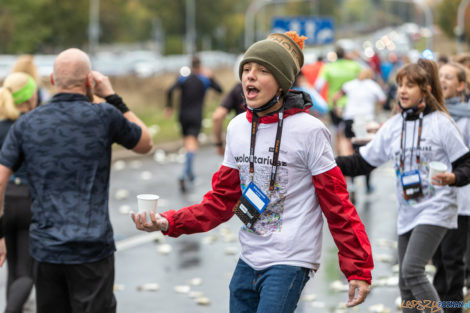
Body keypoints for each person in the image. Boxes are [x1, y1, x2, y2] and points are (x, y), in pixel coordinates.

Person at [132, 31, 373, 313]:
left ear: (282, 83)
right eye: (246, 69)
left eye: (262, 71)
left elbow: (337, 204)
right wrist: (167, 222)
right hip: (249, 257)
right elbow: (221, 201)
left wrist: (357, 268)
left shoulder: (310, 130)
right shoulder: (237, 127)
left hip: (291, 258)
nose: (250, 76)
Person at [0, 48, 153, 313]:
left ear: (52, 80)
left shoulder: (27, 123)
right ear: (88, 82)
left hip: (46, 251)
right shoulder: (105, 116)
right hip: (92, 249)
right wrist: (112, 96)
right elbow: (145, 143)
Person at [336, 59, 470, 313]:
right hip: (408, 210)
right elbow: (362, 162)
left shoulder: (441, 122)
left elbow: (466, 163)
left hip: (437, 207)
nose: (403, 91)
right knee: (406, 285)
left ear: (426, 90)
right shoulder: (394, 126)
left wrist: (453, 178)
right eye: (399, 85)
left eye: (410, 85)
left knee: (413, 270)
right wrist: (325, 163)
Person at [433, 62, 470, 313]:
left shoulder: (467, 117)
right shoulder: (430, 116)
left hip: (461, 201)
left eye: (449, 77)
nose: (442, 80)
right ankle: (439, 307)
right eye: (440, 76)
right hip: (432, 200)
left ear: (461, 86)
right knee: (438, 261)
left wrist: (456, 175)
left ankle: (452, 309)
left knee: (451, 261)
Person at [0, 72, 37, 313]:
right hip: (26, 199)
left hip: (3, 200)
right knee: (27, 273)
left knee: (13, 270)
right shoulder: (33, 124)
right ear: (29, 97)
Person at [166, 55, 223, 192]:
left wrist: (169, 107)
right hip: (196, 116)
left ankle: (190, 175)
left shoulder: (183, 78)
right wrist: (211, 76)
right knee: (191, 146)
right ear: (200, 65)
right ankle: (185, 175)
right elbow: (219, 89)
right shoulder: (204, 79)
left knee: (187, 144)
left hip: (182, 116)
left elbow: (169, 90)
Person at [333, 67, 386, 194]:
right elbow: (382, 99)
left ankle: (351, 183)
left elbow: (336, 97)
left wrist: (337, 108)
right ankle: (367, 185)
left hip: (349, 120)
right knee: (365, 152)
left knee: (350, 150)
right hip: (363, 121)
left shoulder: (350, 85)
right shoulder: (372, 85)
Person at [314, 46, 361, 155]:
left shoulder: (328, 67)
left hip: (334, 105)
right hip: (353, 105)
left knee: (338, 134)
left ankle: (341, 163)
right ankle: (353, 160)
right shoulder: (355, 66)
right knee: (353, 134)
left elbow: (318, 85)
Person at [212, 82, 244, 155]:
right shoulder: (271, 88)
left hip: (239, 142)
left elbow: (217, 117)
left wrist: (219, 144)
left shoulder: (238, 89)